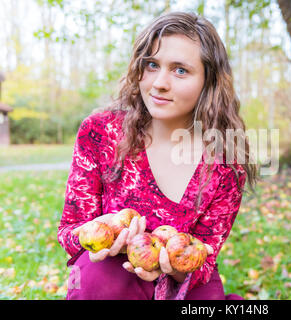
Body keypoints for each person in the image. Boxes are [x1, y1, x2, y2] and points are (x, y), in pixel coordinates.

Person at [57, 11, 259, 300]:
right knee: (101, 278)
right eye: (152, 65)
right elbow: (68, 230)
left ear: (208, 81)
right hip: (110, 277)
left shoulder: (225, 163)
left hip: (184, 286)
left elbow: (205, 258)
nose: (159, 83)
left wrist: (174, 267)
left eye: (180, 70)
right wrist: (99, 232)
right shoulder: (101, 133)